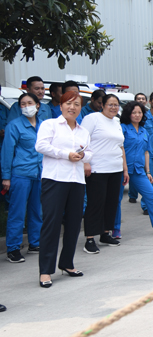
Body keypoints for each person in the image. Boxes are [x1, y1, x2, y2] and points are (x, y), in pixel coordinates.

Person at [36, 91, 92, 288]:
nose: (73, 107)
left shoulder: (83, 131)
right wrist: (65, 154)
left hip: (76, 181)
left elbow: (90, 152)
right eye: (68, 103)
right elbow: (41, 146)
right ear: (60, 106)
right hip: (55, 179)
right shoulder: (49, 125)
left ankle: (67, 263)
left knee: (74, 223)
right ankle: (45, 271)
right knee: (51, 225)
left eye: (77, 104)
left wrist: (83, 156)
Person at [80, 94, 127, 253]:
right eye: (110, 104)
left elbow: (121, 147)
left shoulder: (117, 121)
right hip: (97, 169)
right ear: (103, 105)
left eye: (116, 105)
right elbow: (82, 141)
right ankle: (90, 238)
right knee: (95, 203)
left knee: (112, 202)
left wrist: (124, 169)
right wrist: (85, 162)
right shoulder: (92, 119)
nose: (114, 108)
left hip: (115, 168)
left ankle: (105, 233)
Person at [120, 102, 153, 235]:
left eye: (140, 112)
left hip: (138, 170)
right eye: (134, 113)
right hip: (122, 170)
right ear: (128, 114)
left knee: (151, 195)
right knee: (116, 200)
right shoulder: (123, 128)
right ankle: (115, 229)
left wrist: (148, 171)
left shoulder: (144, 131)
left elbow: (146, 152)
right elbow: (120, 149)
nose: (137, 115)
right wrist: (125, 169)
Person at [2, 93, 43, 263]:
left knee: (37, 210)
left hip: (39, 173)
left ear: (37, 105)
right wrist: (6, 177)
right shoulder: (14, 126)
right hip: (20, 174)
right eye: (23, 104)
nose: (27, 106)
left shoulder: (43, 126)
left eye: (30, 103)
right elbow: (6, 153)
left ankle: (35, 242)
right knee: (17, 212)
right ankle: (13, 248)